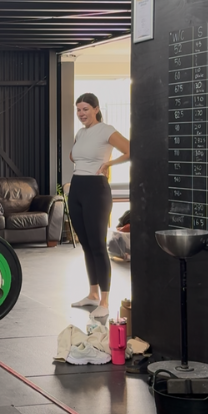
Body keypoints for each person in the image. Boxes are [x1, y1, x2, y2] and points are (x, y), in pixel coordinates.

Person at [68, 92, 130, 319]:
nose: (81, 114)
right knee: (85, 244)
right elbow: (74, 157)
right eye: (78, 110)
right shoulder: (81, 132)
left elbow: (130, 150)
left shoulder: (106, 130)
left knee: (97, 245)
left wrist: (109, 163)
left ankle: (105, 300)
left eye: (85, 109)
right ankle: (92, 294)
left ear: (96, 109)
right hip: (77, 188)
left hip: (96, 190)